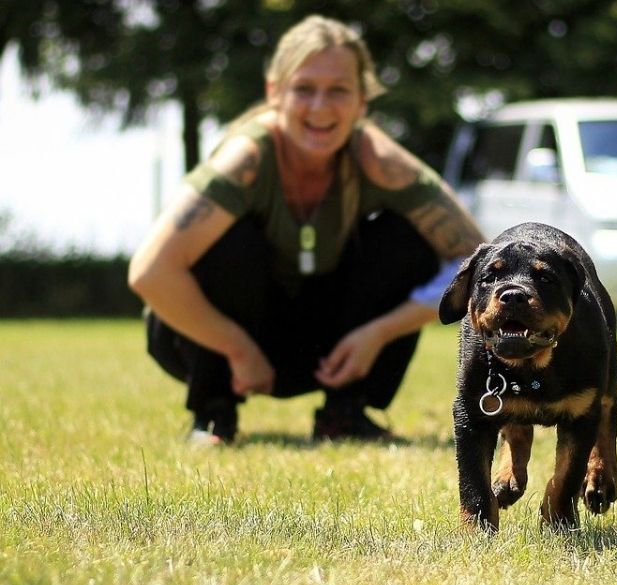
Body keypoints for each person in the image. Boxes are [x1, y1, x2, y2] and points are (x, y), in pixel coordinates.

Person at [128, 15, 486, 445]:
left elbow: (482, 264)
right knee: (224, 240)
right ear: (274, 94)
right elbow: (149, 272)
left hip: (327, 351)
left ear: (361, 103)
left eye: (338, 90)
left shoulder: (379, 161)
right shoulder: (246, 159)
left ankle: (345, 414)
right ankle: (213, 413)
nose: (320, 107)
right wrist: (238, 348)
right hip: (221, 345)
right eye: (304, 89)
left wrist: (381, 331)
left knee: (403, 237)